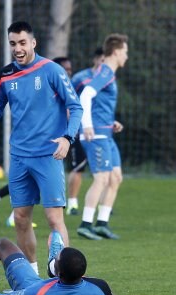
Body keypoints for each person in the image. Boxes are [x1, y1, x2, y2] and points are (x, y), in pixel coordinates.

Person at [0, 21, 82, 274]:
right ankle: (32, 277)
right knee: (20, 218)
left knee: (53, 219)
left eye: (22, 43)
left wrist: (67, 138)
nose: (17, 48)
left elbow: (76, 107)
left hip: (47, 155)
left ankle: (62, 278)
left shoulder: (51, 70)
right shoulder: (6, 76)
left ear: (33, 43)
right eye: (13, 43)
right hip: (19, 157)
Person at [76, 34, 128, 241]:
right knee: (101, 179)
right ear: (116, 52)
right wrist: (87, 125)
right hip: (95, 134)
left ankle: (101, 224)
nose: (126, 56)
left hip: (105, 132)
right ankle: (85, 224)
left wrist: (111, 123)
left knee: (116, 178)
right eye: (125, 52)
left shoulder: (108, 73)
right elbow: (85, 95)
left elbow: (98, 103)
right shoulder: (105, 72)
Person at [66, 48, 105, 216]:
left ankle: (103, 207)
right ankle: (72, 204)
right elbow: (69, 99)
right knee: (78, 168)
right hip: (80, 130)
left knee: (105, 172)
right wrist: (71, 126)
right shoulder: (81, 78)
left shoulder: (108, 79)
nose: (105, 64)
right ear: (96, 59)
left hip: (100, 131)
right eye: (102, 60)